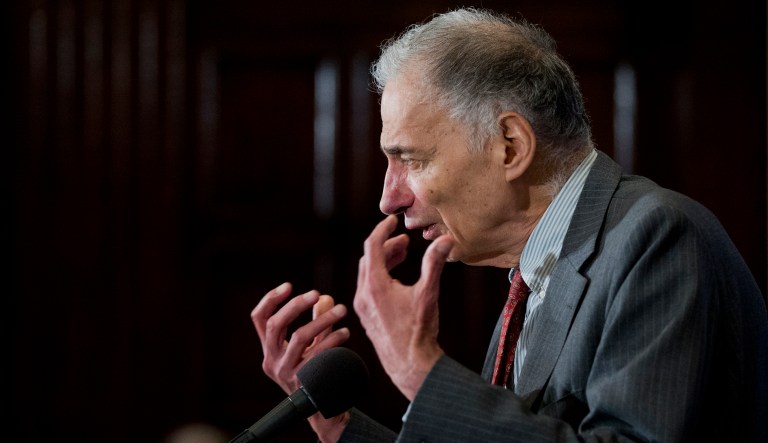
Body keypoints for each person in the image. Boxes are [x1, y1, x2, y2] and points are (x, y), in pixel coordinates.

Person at [251, 7, 768, 442]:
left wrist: (419, 369)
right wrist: (333, 420)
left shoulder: (657, 238)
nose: (389, 198)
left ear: (510, 147)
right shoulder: (535, 275)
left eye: (411, 159)